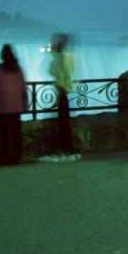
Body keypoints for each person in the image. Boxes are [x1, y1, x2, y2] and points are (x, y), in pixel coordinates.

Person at [40, 34, 79, 163]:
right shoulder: (67, 56)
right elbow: (58, 71)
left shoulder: (63, 57)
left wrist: (66, 86)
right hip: (64, 90)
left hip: (62, 90)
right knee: (64, 121)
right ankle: (69, 150)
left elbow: (55, 71)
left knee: (63, 122)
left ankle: (66, 150)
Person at [0, 44, 28, 165]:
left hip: (2, 106)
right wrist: (25, 103)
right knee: (16, 133)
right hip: (16, 106)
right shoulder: (18, 68)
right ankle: (17, 157)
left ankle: (4, 157)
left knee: (3, 133)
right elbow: (23, 87)